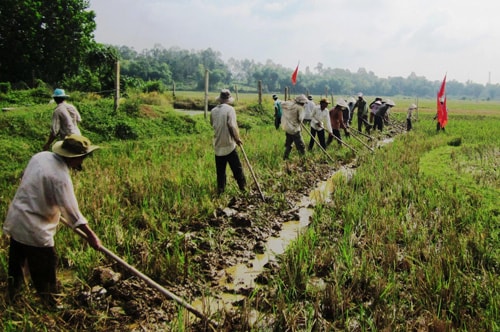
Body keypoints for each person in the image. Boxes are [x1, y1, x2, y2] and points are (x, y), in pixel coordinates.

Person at [3, 134, 102, 309]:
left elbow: (31, 183)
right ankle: (50, 305)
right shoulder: (60, 178)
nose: (81, 163)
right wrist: (91, 236)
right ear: (75, 157)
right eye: (82, 159)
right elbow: (73, 214)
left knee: (17, 266)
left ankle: (12, 300)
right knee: (45, 270)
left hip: (17, 219)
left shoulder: (40, 156)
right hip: (35, 230)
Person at [210, 89, 246, 195]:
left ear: (220, 100)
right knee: (237, 169)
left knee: (220, 172)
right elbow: (232, 126)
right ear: (228, 100)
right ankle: (243, 189)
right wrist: (237, 138)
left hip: (218, 145)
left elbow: (212, 124)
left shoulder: (213, 111)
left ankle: (221, 191)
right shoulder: (230, 109)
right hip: (229, 144)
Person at [281, 94, 308, 160]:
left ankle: (285, 157)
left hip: (288, 128)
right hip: (295, 129)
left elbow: (281, 103)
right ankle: (303, 159)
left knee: (289, 144)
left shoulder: (289, 105)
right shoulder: (300, 108)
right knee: (301, 146)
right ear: (302, 102)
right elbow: (300, 119)